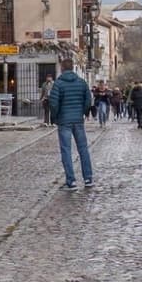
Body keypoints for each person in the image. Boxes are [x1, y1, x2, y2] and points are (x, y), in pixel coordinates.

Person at [49, 58, 95, 190]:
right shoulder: (82, 82)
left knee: (66, 150)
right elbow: (88, 100)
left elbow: (53, 103)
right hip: (78, 120)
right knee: (83, 149)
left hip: (64, 121)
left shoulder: (58, 84)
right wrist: (84, 113)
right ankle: (88, 178)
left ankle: (71, 181)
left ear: (62, 68)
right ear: (73, 68)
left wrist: (55, 117)